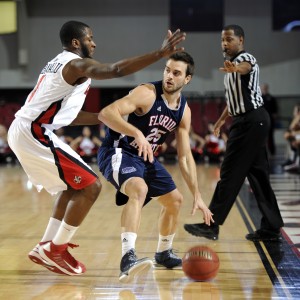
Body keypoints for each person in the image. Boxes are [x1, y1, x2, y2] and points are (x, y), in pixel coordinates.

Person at [7, 20, 186, 276]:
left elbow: (69, 115)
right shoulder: (75, 63)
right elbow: (114, 70)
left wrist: (104, 115)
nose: (94, 43)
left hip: (32, 128)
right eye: (90, 38)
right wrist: (159, 54)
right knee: (91, 186)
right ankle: (55, 249)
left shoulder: (57, 63)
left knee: (73, 186)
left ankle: (47, 245)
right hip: (32, 131)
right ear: (76, 42)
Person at [97, 51, 213, 283]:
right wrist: (136, 132)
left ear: (187, 79)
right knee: (139, 189)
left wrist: (198, 195)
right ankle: (127, 257)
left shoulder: (184, 111)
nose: (169, 76)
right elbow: (106, 113)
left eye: (176, 73)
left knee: (175, 200)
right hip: (118, 151)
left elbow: (184, 157)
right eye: (167, 70)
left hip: (145, 157)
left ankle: (163, 253)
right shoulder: (147, 93)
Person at [184, 24, 284, 242]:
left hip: (251, 121)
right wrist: (220, 122)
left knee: (229, 172)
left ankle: (212, 225)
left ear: (241, 41)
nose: (224, 43)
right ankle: (271, 226)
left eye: (229, 39)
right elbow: (232, 102)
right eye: (222, 39)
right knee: (258, 176)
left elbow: (246, 67)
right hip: (248, 121)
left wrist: (236, 69)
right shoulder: (228, 69)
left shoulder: (244, 59)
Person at [260, 83, 278, 155]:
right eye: (263, 88)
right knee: (262, 137)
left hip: (270, 121)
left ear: (267, 88)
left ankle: (272, 152)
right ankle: (262, 153)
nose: (264, 89)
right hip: (262, 121)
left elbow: (275, 112)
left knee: (270, 137)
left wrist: (273, 118)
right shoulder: (259, 98)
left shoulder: (271, 98)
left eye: (265, 88)